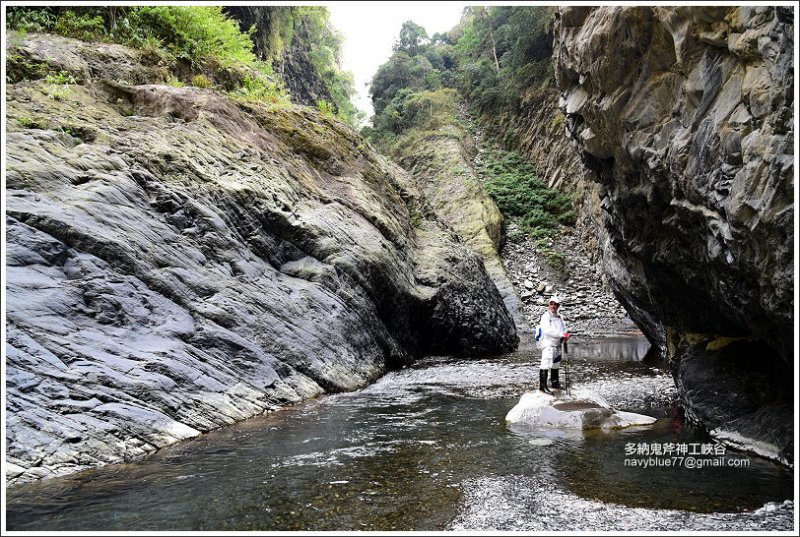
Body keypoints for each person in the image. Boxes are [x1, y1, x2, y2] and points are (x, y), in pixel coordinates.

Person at [538, 294, 570, 393]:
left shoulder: (560, 317)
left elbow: (564, 329)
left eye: (555, 304)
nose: (553, 306)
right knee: (546, 363)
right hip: (548, 344)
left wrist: (566, 334)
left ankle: (555, 383)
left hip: (558, 344)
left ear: (558, 306)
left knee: (556, 364)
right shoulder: (545, 317)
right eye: (551, 304)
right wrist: (561, 335)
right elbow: (547, 331)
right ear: (549, 305)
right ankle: (543, 387)